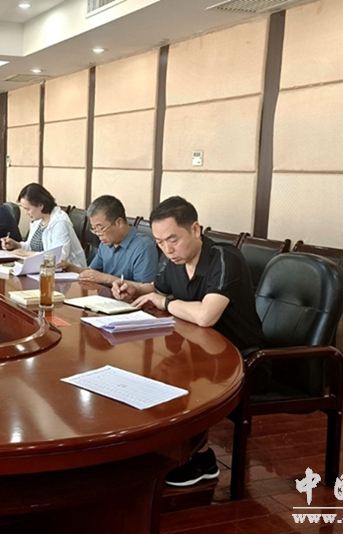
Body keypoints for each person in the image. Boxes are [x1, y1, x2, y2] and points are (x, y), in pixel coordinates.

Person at [112, 196, 266, 488]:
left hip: (242, 360)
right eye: (160, 242)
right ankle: (174, 452)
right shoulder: (176, 261)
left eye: (173, 239)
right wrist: (134, 289)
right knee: (150, 370)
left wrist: (164, 302)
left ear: (196, 229)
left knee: (172, 377)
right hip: (201, 350)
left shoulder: (224, 258)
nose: (167, 250)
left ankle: (198, 458)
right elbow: (158, 288)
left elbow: (206, 315)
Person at [61, 195, 158, 284]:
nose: (98, 234)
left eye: (101, 228)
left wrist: (107, 279)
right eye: (94, 229)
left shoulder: (143, 247)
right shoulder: (105, 243)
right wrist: (70, 267)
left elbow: (146, 288)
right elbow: (92, 272)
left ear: (119, 223)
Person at [1, 183, 87, 268]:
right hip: (42, 268)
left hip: (68, 272)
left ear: (40, 206)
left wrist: (28, 254)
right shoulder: (38, 221)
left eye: (28, 209)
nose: (26, 213)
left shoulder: (60, 223)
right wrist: (16, 245)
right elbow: (32, 247)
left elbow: (59, 258)